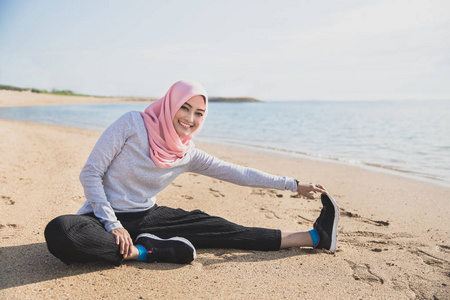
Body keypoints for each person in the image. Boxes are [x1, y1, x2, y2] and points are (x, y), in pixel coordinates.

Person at [44, 80, 339, 266]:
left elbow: (237, 172)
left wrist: (293, 184)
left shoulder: (187, 153)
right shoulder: (132, 124)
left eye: (198, 113)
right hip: (100, 218)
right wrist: (113, 225)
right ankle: (147, 252)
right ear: (171, 103)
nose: (190, 118)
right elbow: (91, 174)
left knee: (224, 229)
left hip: (148, 217)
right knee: (61, 232)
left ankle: (315, 237)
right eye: (184, 108)